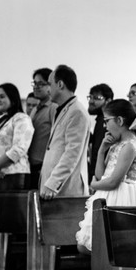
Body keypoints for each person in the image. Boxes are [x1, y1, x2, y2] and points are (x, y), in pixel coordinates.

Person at [75, 99, 136, 252]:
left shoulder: (130, 146)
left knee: (110, 246)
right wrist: (102, 150)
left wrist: (93, 185)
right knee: (90, 245)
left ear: (119, 120)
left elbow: (113, 181)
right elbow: (100, 175)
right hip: (108, 194)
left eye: (107, 121)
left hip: (121, 197)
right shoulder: (116, 144)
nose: (105, 126)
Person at [39, 65, 91, 199]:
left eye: (50, 84)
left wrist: (52, 183)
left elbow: (72, 153)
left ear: (60, 84)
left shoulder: (77, 112)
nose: (48, 89)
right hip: (57, 187)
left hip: (67, 187)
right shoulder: (62, 109)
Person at [0, 82, 34, 190]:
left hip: (15, 175)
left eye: (2, 96)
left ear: (12, 98)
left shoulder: (21, 118)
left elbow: (19, 149)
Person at [29, 68, 54, 181]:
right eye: (34, 83)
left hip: (45, 167)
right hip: (31, 167)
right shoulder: (35, 109)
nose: (36, 86)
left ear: (51, 86)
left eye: (41, 84)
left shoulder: (54, 108)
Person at [87, 83, 114, 181]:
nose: (91, 101)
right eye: (90, 97)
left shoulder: (110, 122)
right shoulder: (99, 120)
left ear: (108, 101)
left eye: (97, 98)